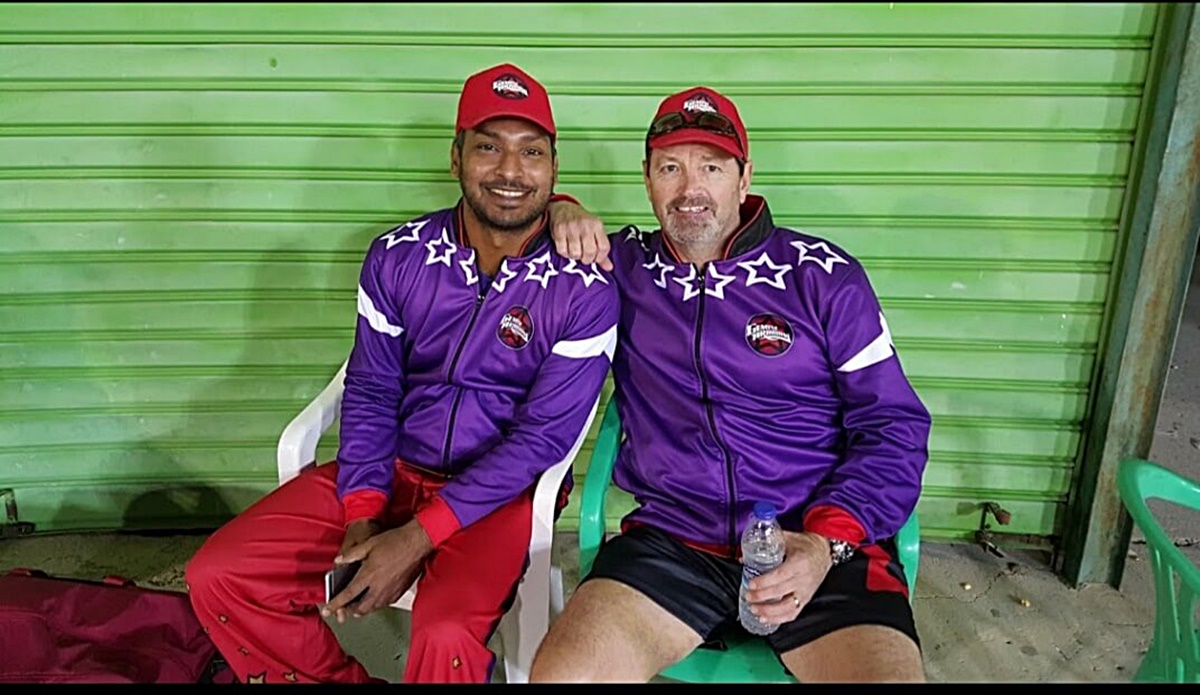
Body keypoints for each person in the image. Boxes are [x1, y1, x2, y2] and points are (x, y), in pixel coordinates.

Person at [184, 63, 619, 684]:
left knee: (445, 637)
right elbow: (371, 386)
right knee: (219, 575)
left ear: (554, 169)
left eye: (531, 153)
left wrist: (416, 537)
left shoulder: (585, 284)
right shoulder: (400, 255)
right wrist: (365, 510)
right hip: (388, 469)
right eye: (488, 147)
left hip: (496, 496)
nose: (509, 172)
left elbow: (541, 440)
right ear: (455, 157)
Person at [530, 86, 932, 682]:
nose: (690, 189)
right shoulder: (620, 269)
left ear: (744, 179)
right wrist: (558, 208)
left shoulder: (823, 276)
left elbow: (894, 426)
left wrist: (827, 541)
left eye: (711, 168)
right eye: (671, 168)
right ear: (647, 180)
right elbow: (515, 253)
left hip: (812, 540)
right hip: (675, 540)